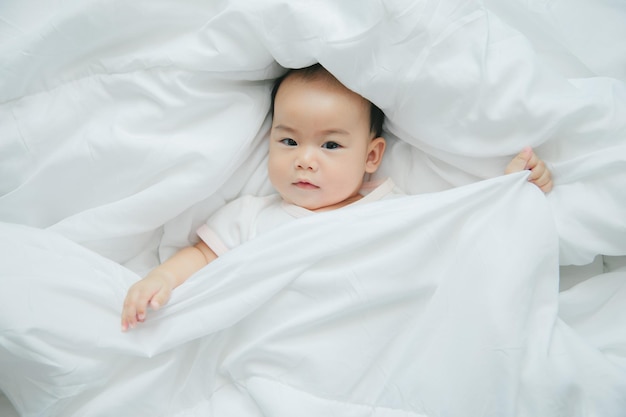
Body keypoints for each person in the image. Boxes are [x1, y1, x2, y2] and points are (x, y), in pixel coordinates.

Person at [121, 64, 553, 331]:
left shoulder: (393, 207)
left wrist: (510, 188)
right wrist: (159, 280)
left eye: (330, 146)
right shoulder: (252, 215)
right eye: (288, 141)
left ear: (371, 156)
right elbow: (200, 256)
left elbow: (457, 227)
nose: (304, 160)